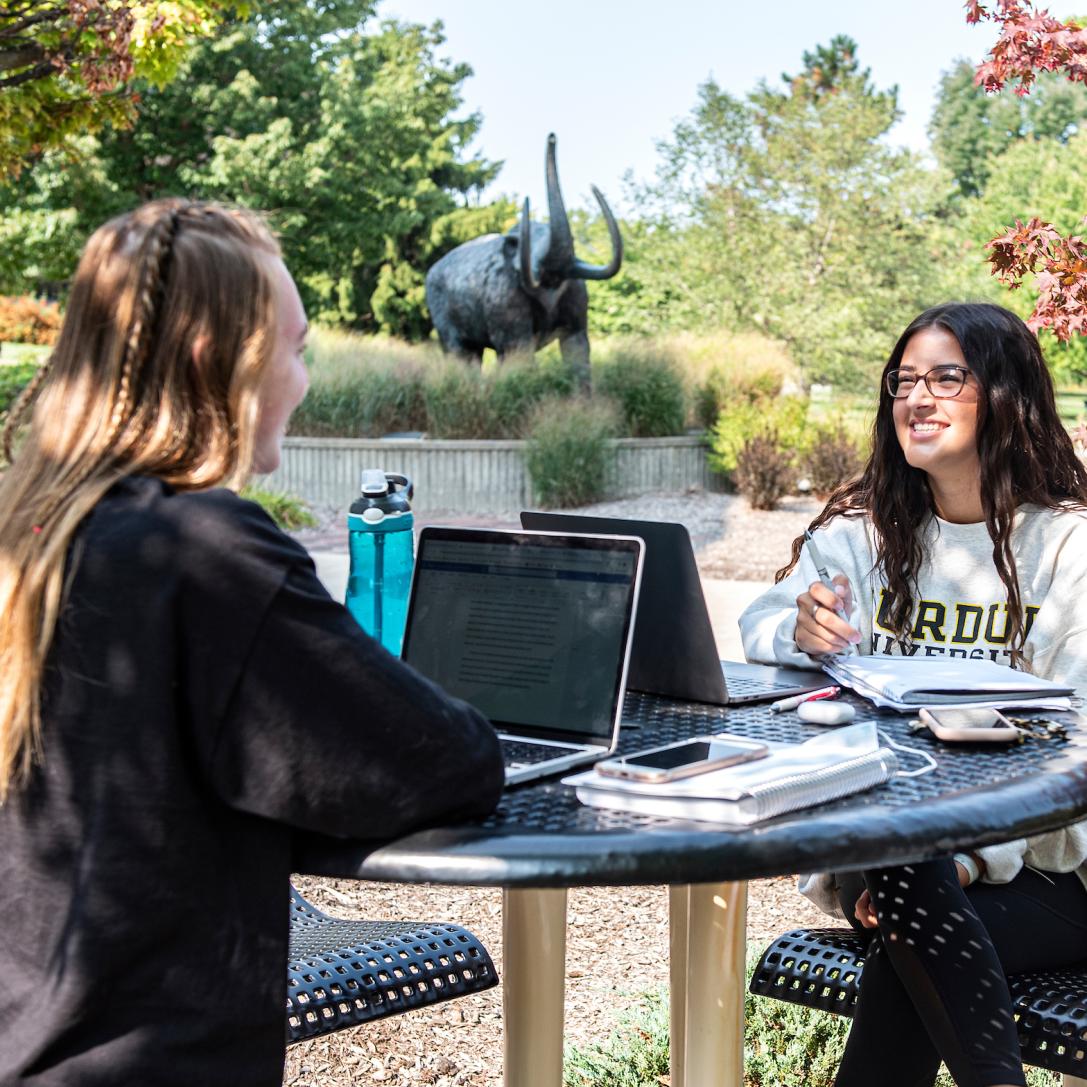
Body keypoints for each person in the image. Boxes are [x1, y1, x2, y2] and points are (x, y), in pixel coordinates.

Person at [0, 199, 505, 1086]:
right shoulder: (204, 550)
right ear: (213, 360)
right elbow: (440, 763)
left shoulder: (29, 532)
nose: (302, 379)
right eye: (294, 347)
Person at [739, 302, 1087, 1087]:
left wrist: (968, 854)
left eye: (944, 378)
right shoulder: (866, 535)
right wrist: (799, 630)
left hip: (1053, 868)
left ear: (1004, 393)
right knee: (912, 897)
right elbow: (757, 624)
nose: (915, 398)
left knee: (910, 943)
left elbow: (1079, 748)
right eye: (902, 381)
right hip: (902, 866)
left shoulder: (1068, 548)